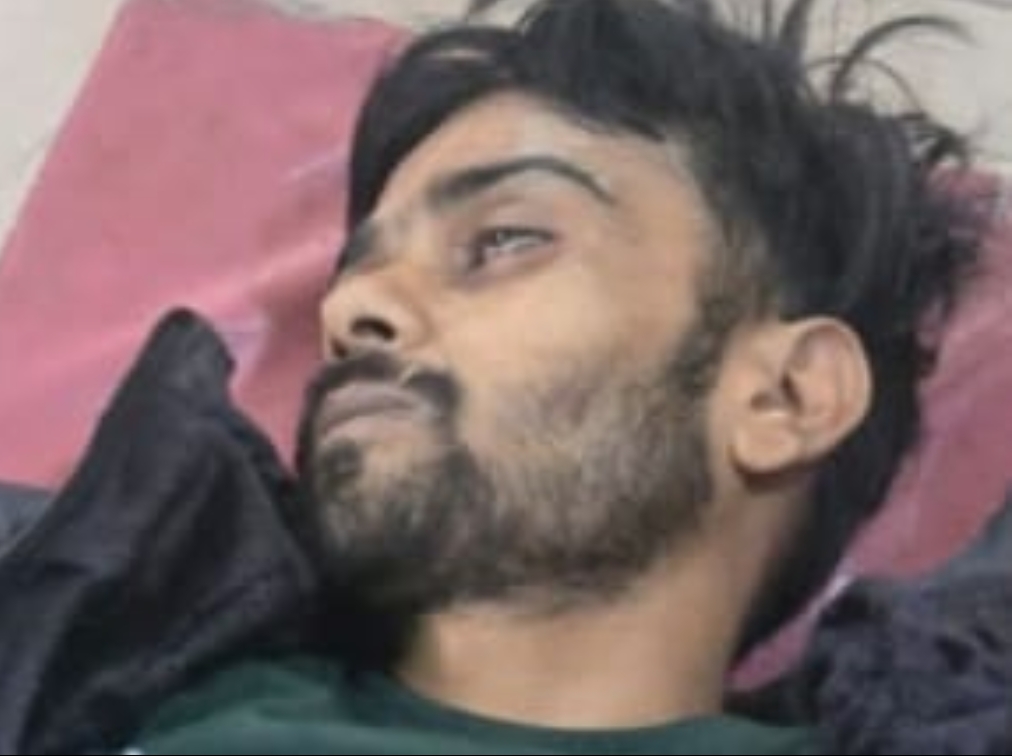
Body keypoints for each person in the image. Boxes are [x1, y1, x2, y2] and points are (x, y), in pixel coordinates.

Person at [131, 0, 986, 753]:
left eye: (502, 240)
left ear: (785, 397)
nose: (353, 307)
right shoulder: (117, 675)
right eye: (353, 272)